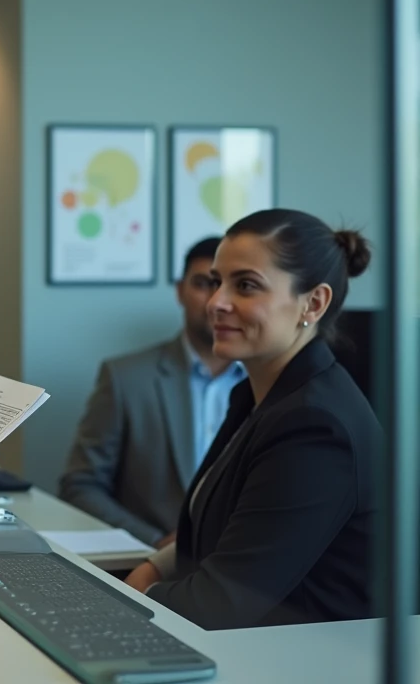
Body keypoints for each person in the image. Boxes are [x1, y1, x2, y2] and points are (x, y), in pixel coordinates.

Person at [124, 209, 381, 629]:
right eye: (215, 281)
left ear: (313, 303)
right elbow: (235, 528)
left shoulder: (316, 425)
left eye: (245, 285)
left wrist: (121, 598)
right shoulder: (261, 395)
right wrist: (154, 567)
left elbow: (221, 602)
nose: (215, 303)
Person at [59, 237, 246, 547]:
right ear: (180, 291)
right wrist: (157, 543)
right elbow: (80, 485)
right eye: (204, 283)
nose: (216, 300)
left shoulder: (267, 382)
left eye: (231, 286)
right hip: (150, 564)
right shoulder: (126, 378)